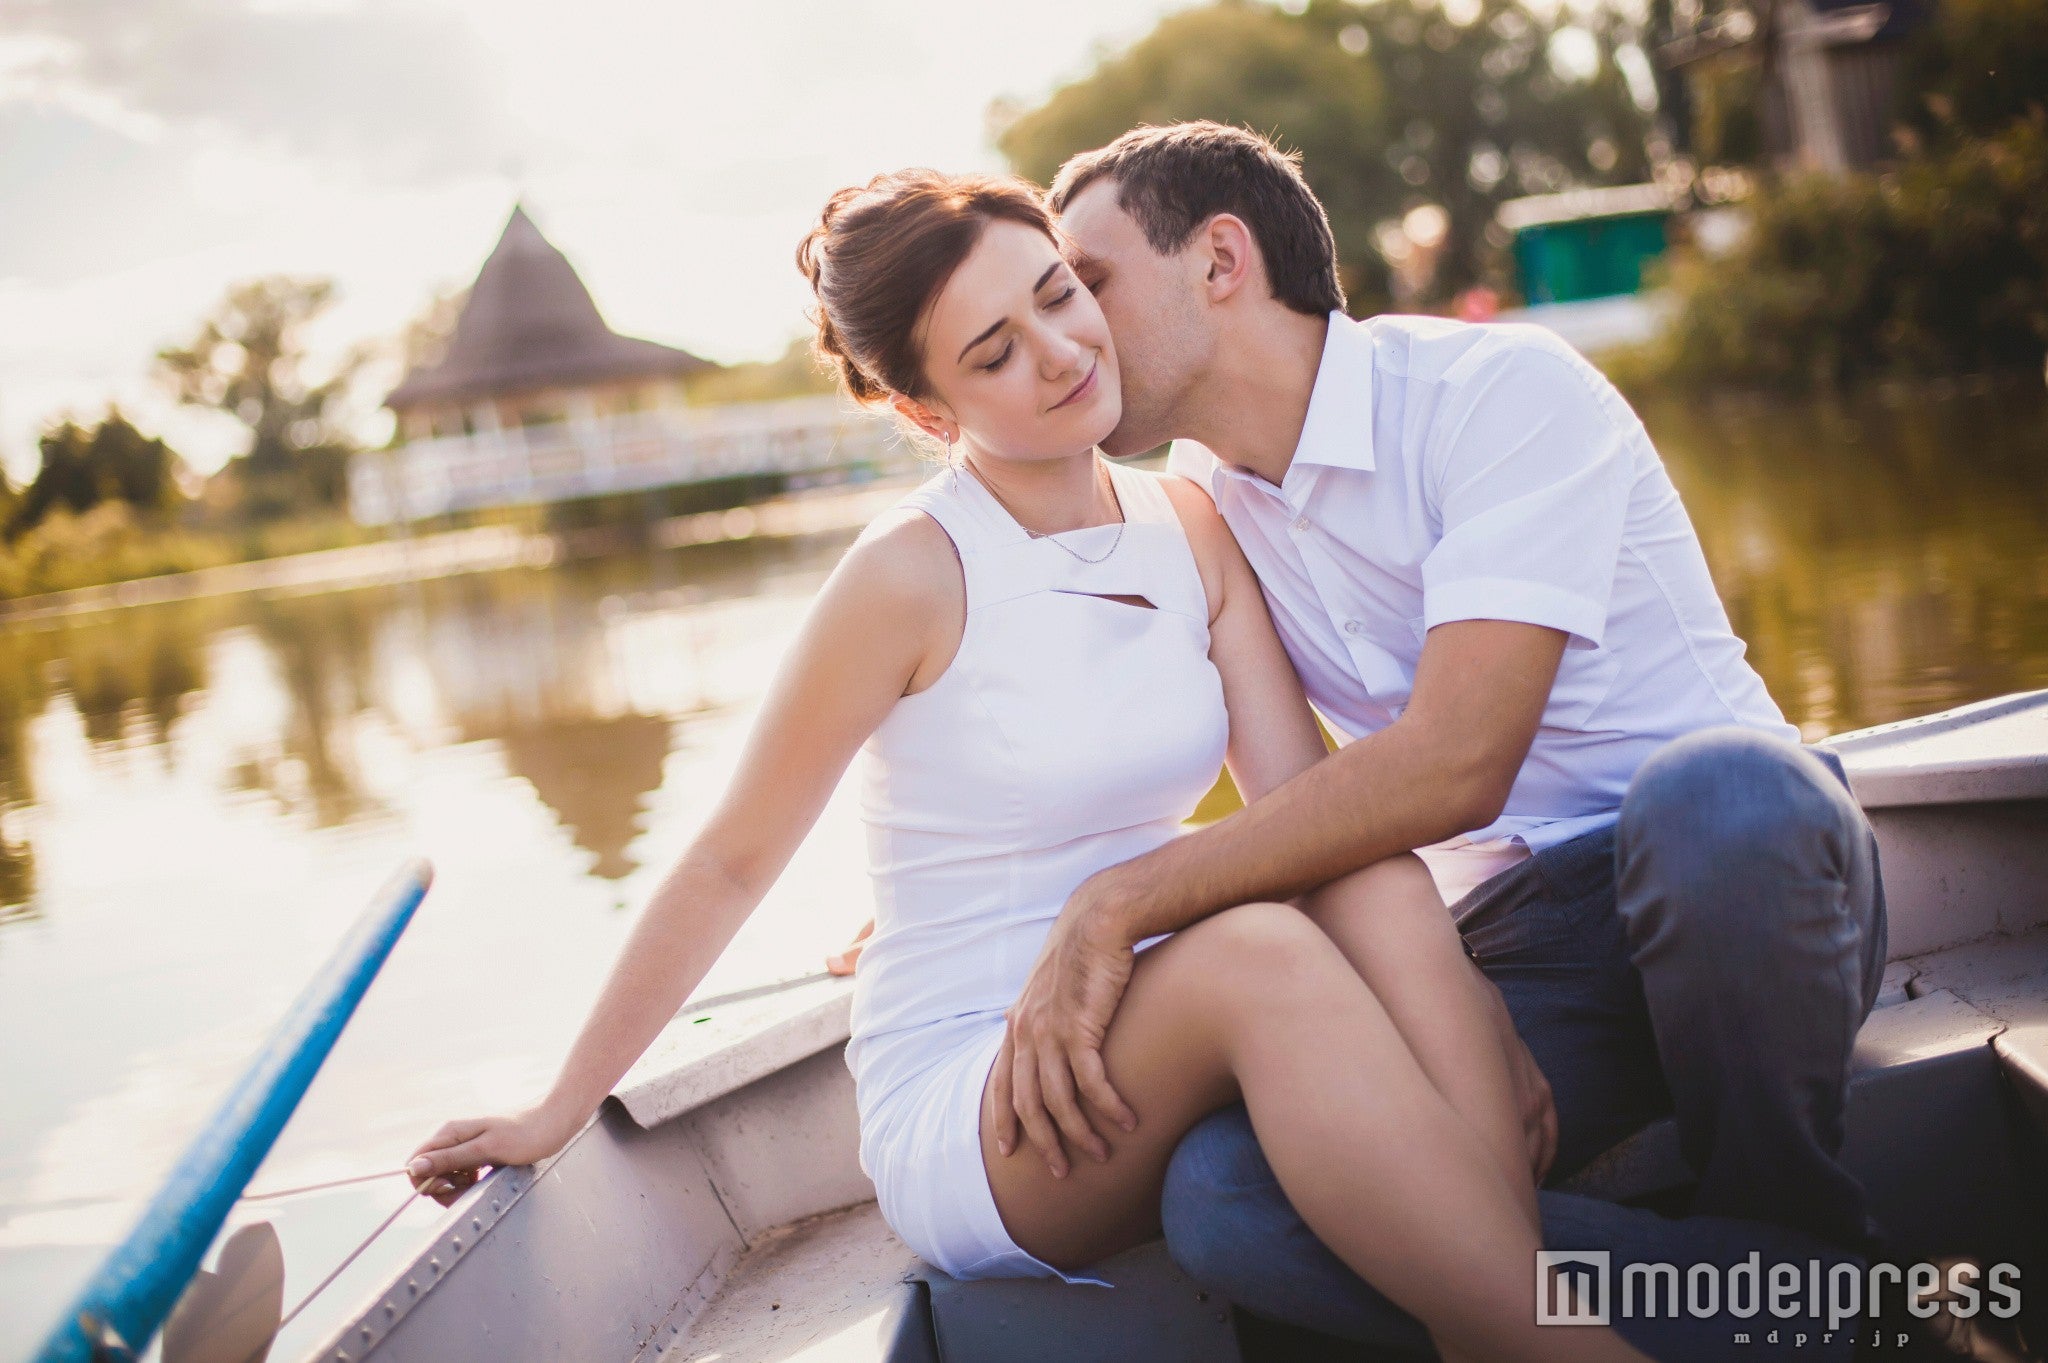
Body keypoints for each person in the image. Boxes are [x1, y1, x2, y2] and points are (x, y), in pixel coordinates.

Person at [404, 168, 1652, 1363]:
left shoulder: (1190, 522)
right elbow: (732, 860)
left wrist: (1472, 1028)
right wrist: (558, 1107)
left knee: (1345, 894)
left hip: (1156, 1004)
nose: (1059, 354)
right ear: (924, 411)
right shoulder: (907, 574)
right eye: (993, 353)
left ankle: (1495, 1316)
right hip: (986, 1086)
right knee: (1264, 949)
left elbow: (1314, 815)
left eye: (1058, 294)